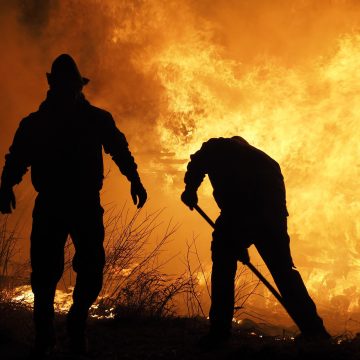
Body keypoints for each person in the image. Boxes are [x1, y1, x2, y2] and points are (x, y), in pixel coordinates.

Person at [0, 54, 147, 356]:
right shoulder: (38, 123)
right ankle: (46, 336)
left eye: (71, 86)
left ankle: (75, 320)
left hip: (81, 205)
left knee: (90, 270)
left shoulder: (94, 119)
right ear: (56, 86)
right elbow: (17, 159)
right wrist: (5, 186)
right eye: (64, 85)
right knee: (44, 274)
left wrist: (135, 178)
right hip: (57, 204)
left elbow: (119, 149)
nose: (68, 90)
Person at [181, 136, 330, 346]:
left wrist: (190, 190)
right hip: (271, 218)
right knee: (285, 272)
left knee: (223, 263)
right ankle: (315, 331)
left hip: (243, 210)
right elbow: (275, 212)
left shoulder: (216, 146)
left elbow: (198, 163)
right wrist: (243, 240)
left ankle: (219, 332)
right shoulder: (267, 161)